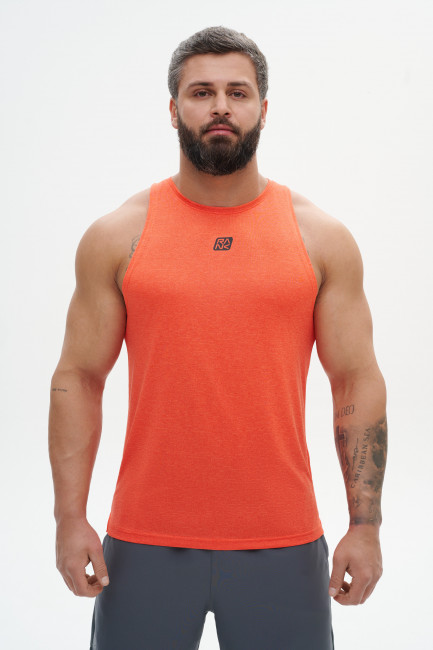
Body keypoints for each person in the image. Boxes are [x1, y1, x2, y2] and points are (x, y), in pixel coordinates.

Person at [48, 25, 387, 650]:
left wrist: (364, 525)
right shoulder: (119, 236)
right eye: (202, 92)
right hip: (144, 541)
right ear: (173, 108)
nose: (221, 106)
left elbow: (356, 381)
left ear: (264, 108)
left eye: (238, 91)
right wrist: (69, 518)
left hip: (282, 541)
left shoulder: (320, 239)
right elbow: (78, 378)